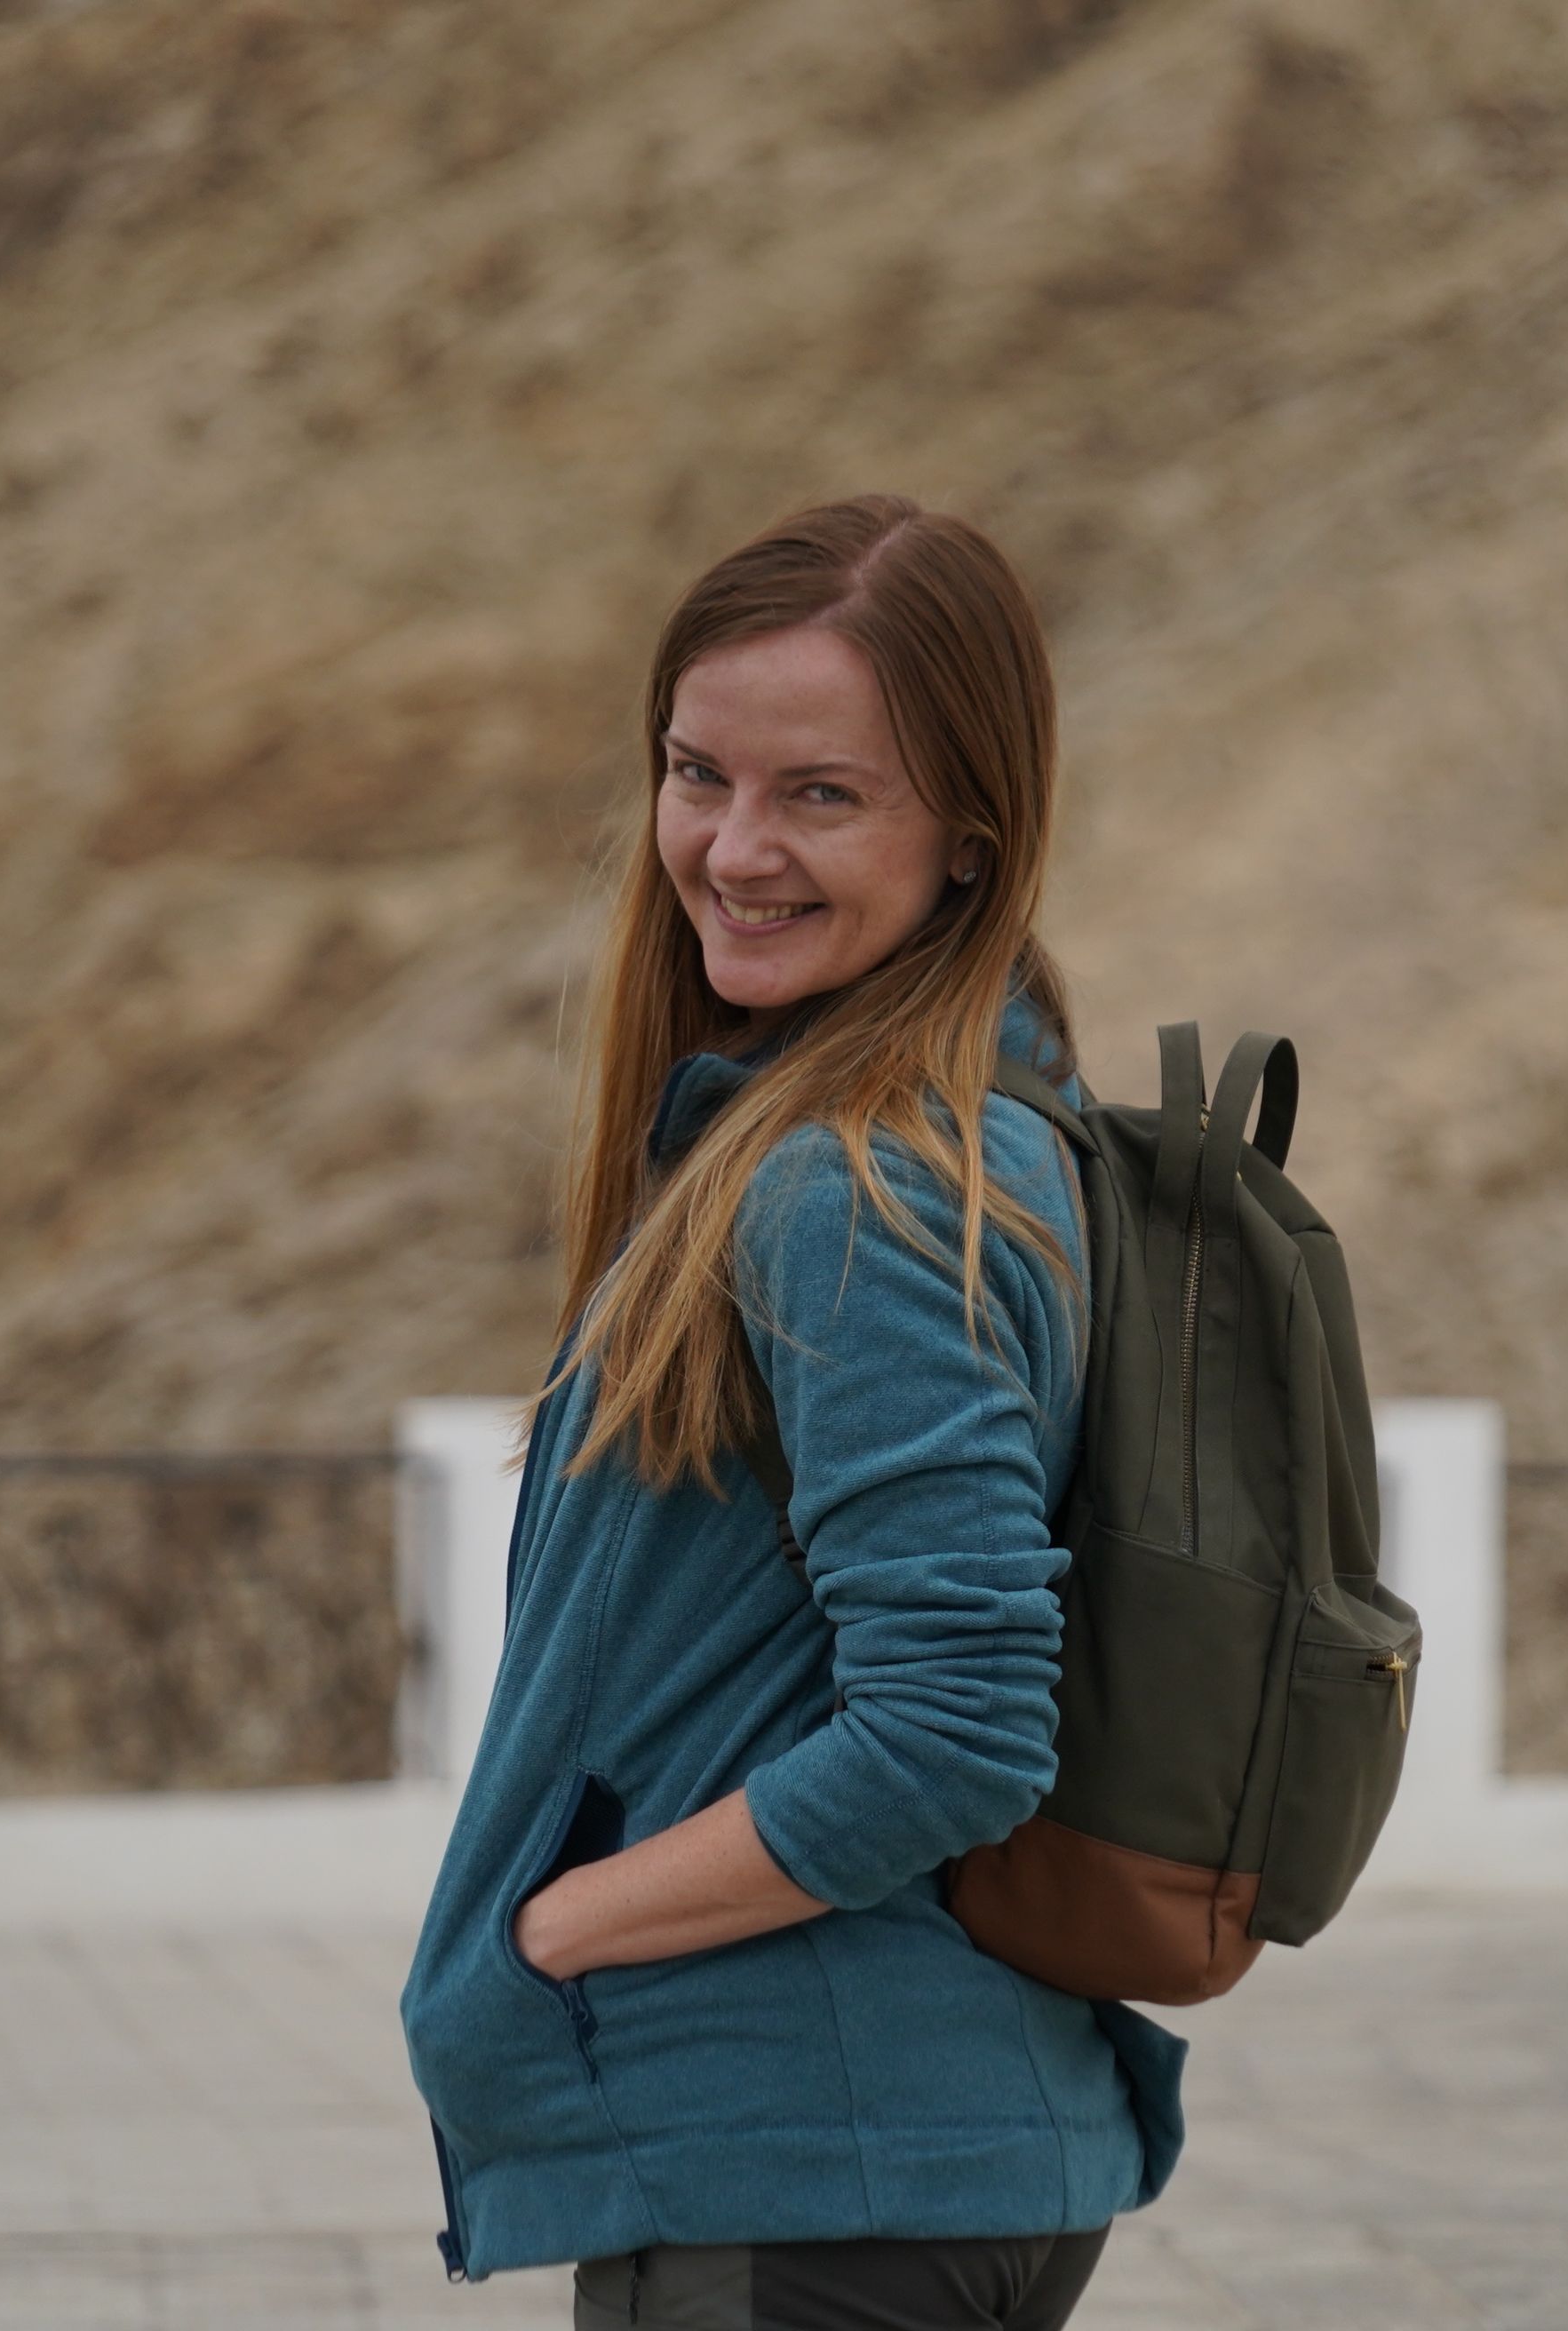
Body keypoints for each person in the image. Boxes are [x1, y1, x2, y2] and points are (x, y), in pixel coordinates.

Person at [401, 495, 1182, 2331]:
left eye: (823, 794)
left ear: (969, 847)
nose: (734, 847)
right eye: (697, 773)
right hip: (905, 2146)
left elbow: (957, 1726)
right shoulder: (1007, 1127)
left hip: (806, 2167)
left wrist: (555, 1928)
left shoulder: (850, 1191)